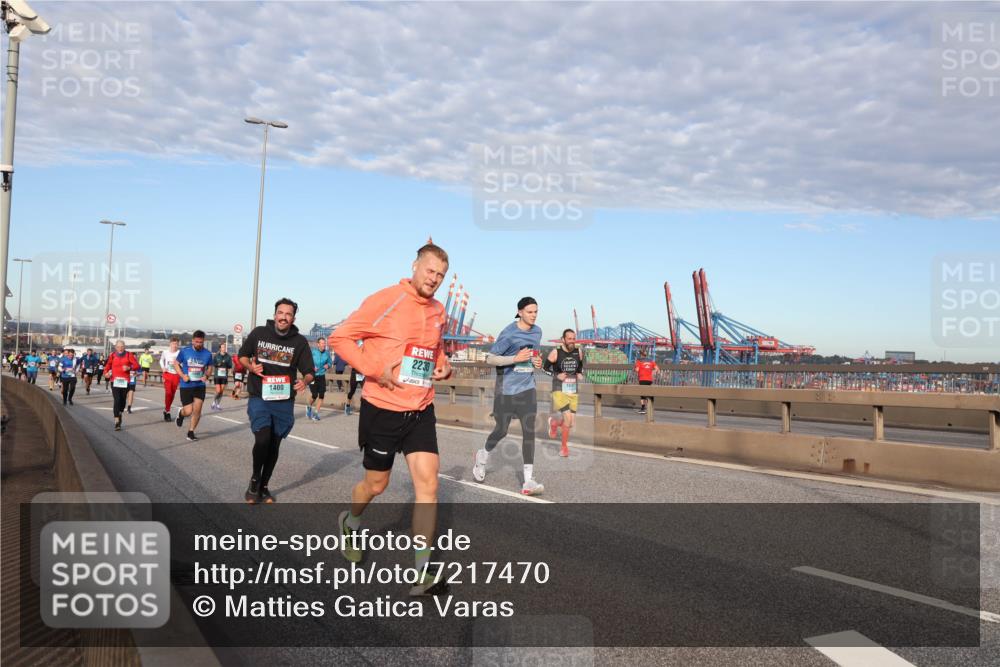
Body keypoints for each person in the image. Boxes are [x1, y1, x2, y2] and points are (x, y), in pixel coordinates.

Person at [330, 243, 452, 596]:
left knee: (428, 485)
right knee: (376, 485)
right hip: (382, 408)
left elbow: (436, 349)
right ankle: (351, 522)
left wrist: (443, 365)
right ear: (415, 266)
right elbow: (341, 337)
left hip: (420, 408)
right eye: (430, 271)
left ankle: (423, 572)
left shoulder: (439, 310)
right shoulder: (386, 300)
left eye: (441, 275)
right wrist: (373, 369)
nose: (435, 279)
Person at [238, 299, 314, 503]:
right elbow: (242, 356)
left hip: (284, 399)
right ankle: (255, 480)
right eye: (280, 313)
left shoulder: (299, 342)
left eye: (288, 314)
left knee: (274, 444)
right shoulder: (259, 333)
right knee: (262, 439)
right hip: (259, 396)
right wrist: (251, 368)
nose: (283, 317)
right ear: (274, 315)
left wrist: (304, 381)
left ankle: (264, 486)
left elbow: (309, 372)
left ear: (293, 318)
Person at [472, 297, 545, 495]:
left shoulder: (537, 331)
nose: (534, 315)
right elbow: (491, 358)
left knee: (529, 432)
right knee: (501, 430)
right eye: (530, 312)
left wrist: (537, 362)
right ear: (520, 312)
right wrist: (515, 358)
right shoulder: (509, 333)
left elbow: (533, 356)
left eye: (536, 311)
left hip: (527, 388)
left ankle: (528, 480)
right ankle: (482, 456)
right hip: (506, 390)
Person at [544, 329, 584, 458]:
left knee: (570, 422)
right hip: (559, 389)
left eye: (573, 338)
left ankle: (554, 424)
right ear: (563, 339)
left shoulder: (579, 352)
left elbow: (580, 366)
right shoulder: (556, 352)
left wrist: (579, 373)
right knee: (567, 417)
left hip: (572, 389)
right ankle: (564, 448)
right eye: (569, 338)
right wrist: (556, 375)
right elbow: (544, 369)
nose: (572, 341)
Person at [174, 330, 214, 442]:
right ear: (192, 341)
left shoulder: (207, 354)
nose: (198, 344)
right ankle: (181, 414)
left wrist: (207, 375)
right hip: (186, 385)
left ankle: (191, 432)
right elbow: (176, 363)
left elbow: (210, 367)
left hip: (200, 385)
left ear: (203, 341)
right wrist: (182, 375)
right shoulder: (185, 351)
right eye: (196, 342)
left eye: (201, 342)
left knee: (197, 410)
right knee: (188, 411)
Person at [103, 341, 139, 431]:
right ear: (115, 347)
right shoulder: (112, 355)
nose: (120, 348)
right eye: (118, 346)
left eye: (122, 346)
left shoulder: (128, 355)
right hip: (114, 381)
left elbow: (137, 365)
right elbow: (108, 365)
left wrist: (129, 368)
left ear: (124, 347)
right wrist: (105, 373)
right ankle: (116, 421)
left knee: (122, 401)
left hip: (125, 381)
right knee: (117, 399)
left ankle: (120, 413)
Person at [307, 337, 333, 421]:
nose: (323, 345)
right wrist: (312, 367)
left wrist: (328, 365)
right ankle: (309, 406)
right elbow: (307, 361)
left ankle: (316, 414)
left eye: (324, 343)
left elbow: (330, 362)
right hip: (313, 376)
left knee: (321, 395)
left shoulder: (327, 353)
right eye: (322, 343)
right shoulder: (313, 352)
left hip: (321, 376)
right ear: (318, 344)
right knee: (314, 395)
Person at [159, 337, 181, 421]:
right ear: (170, 344)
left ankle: (166, 409)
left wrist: (179, 364)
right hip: (167, 374)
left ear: (178, 345)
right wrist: (163, 368)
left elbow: (182, 363)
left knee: (172, 394)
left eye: (176, 344)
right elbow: (161, 360)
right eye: (173, 344)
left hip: (176, 375)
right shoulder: (165, 352)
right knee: (168, 393)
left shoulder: (180, 353)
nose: (175, 346)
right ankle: (168, 412)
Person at [210, 343, 233, 412]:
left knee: (222, 391)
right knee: (218, 390)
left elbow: (230, 365)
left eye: (225, 347)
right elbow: (213, 363)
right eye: (223, 347)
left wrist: (226, 365)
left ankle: (218, 404)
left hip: (224, 376)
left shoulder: (228, 356)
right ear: (220, 348)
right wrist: (218, 364)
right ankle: (214, 402)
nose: (224, 348)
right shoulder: (216, 356)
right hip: (217, 375)